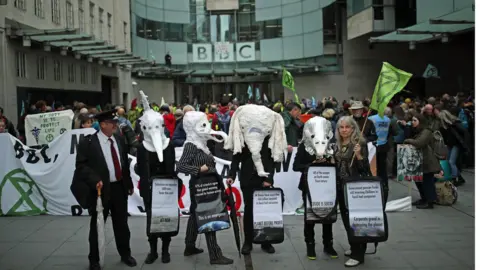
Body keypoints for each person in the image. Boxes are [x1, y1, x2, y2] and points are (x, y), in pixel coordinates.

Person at [72, 110, 136, 270]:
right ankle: (94, 259)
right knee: (97, 225)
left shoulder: (119, 140)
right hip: (100, 189)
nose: (115, 125)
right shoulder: (88, 143)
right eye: (112, 123)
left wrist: (128, 184)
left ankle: (125, 253)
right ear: (102, 125)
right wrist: (94, 180)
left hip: (119, 188)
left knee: (122, 224)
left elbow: (123, 163)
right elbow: (81, 166)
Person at [225, 104, 288, 255]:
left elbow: (273, 159)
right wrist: (231, 175)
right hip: (247, 178)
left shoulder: (267, 136)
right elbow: (236, 156)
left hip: (264, 178)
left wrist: (270, 178)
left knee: (265, 211)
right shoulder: (245, 135)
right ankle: (248, 241)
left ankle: (266, 241)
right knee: (249, 211)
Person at [176, 111, 232, 265]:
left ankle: (189, 245)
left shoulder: (202, 145)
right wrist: (198, 170)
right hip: (201, 186)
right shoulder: (191, 146)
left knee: (196, 214)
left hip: (208, 184)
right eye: (203, 125)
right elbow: (180, 166)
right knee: (209, 216)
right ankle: (215, 254)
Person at [135, 92, 181, 265]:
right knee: (151, 221)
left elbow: (171, 166)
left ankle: (165, 251)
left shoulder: (168, 146)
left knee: (167, 220)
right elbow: (140, 167)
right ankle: (153, 250)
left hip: (166, 190)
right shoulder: (142, 148)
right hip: (150, 190)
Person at [292, 116, 338, 260]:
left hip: (327, 185)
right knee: (310, 217)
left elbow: (338, 165)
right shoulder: (304, 146)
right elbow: (296, 166)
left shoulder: (331, 145)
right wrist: (312, 163)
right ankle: (310, 246)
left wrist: (330, 160)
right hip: (309, 187)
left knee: (328, 215)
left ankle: (328, 245)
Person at [334, 116, 371, 267]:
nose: (344, 130)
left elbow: (365, 169)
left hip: (355, 188)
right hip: (341, 188)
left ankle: (358, 254)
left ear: (353, 128)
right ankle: (355, 246)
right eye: (341, 127)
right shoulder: (337, 144)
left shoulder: (359, 143)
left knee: (355, 220)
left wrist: (359, 155)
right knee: (346, 219)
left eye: (347, 127)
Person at [403, 113, 441, 209]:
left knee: (427, 182)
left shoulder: (426, 131)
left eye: (415, 120)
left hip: (427, 160)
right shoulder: (418, 131)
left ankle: (430, 201)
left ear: (421, 121)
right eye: (412, 120)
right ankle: (424, 198)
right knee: (418, 181)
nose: (413, 122)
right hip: (420, 160)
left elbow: (420, 143)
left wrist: (408, 140)